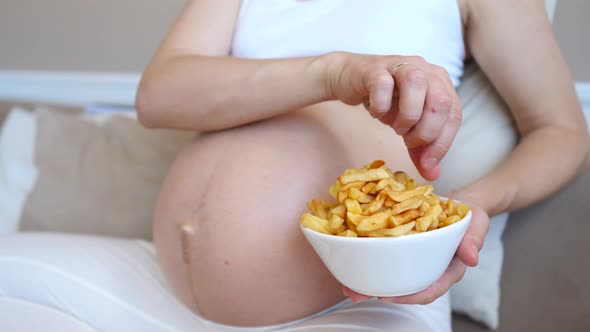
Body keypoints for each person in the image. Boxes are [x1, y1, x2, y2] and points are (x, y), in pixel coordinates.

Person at [131, 0, 590, 330]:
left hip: (359, 308)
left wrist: (470, 207)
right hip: (155, 293)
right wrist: (333, 73)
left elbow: (562, 130)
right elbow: (157, 97)